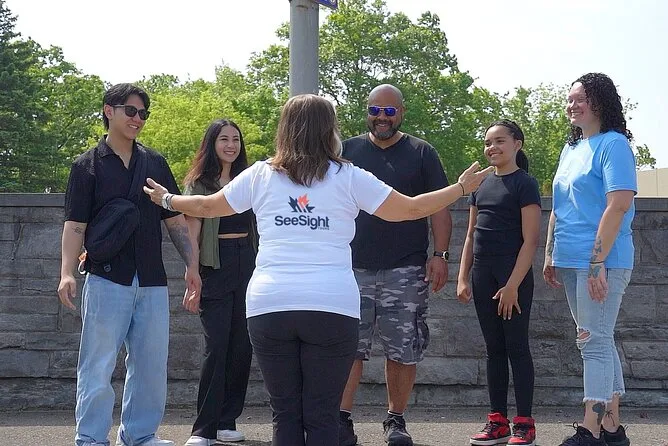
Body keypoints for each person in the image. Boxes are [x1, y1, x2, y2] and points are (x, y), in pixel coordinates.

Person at [143, 94, 492, 446]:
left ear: (285, 129)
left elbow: (206, 206)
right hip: (332, 306)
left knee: (285, 414)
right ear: (329, 130)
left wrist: (167, 199)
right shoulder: (349, 176)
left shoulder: (260, 174)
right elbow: (411, 208)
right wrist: (460, 188)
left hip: (270, 305)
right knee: (323, 415)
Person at [57, 83, 201, 446]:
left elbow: (175, 221)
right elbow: (75, 225)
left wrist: (192, 266)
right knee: (97, 364)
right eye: (131, 111)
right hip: (106, 278)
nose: (138, 119)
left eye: (143, 114)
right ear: (109, 111)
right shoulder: (87, 166)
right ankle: (90, 438)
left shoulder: (155, 163)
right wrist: (66, 273)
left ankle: (139, 435)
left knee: (151, 365)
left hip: (152, 279)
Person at [338, 84, 452, 446]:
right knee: (347, 347)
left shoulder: (422, 152)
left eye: (389, 111)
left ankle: (396, 421)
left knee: (403, 348)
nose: (382, 118)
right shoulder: (346, 152)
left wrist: (440, 255)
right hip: (351, 269)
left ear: (401, 113)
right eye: (375, 110)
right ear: (367, 111)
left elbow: (439, 207)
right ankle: (341, 421)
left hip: (405, 269)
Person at [543, 73, 637, 446]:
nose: (572, 105)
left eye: (580, 98)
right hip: (570, 258)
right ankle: (612, 429)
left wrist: (597, 262)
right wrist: (550, 252)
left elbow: (619, 204)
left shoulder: (614, 145)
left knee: (592, 341)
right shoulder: (572, 149)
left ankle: (590, 429)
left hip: (602, 262)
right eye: (569, 99)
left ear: (600, 101)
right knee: (599, 339)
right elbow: (559, 206)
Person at [457, 120, 541, 446]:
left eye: (499, 141)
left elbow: (531, 241)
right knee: (494, 350)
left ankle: (524, 424)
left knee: (516, 348)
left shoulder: (525, 184)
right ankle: (497, 422)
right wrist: (462, 277)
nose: (492, 147)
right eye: (488, 142)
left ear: (517, 144)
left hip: (512, 278)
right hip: (483, 274)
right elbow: (470, 235)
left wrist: (512, 285)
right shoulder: (480, 184)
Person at [182, 120, 256, 446]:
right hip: (215, 265)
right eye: (224, 139)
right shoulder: (199, 184)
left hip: (248, 263)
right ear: (212, 143)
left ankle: (227, 421)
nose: (231, 145)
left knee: (242, 346)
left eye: (236, 139)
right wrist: (192, 272)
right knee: (217, 347)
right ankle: (204, 429)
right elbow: (192, 233)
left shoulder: (249, 180)